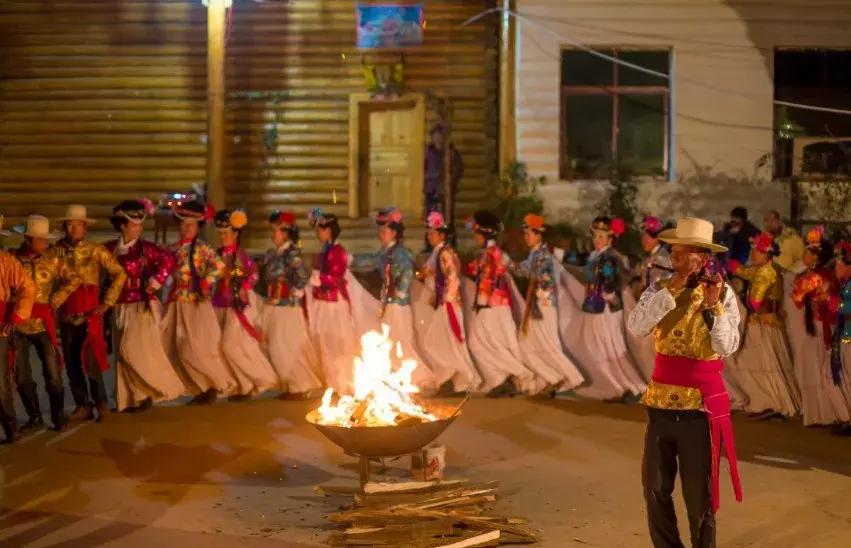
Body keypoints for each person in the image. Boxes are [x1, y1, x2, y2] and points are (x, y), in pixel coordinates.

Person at [627, 217, 742, 548]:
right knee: (654, 489)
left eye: (685, 252)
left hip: (699, 409)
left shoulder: (721, 293)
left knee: (699, 497)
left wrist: (711, 309)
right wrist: (674, 287)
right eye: (673, 250)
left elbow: (727, 346)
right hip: (660, 404)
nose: (675, 256)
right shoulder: (659, 289)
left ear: (703, 258)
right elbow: (636, 327)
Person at [105, 199, 185, 412]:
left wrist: (156, 280)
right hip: (119, 305)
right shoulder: (109, 249)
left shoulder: (146, 249)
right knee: (122, 357)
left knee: (129, 350)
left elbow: (168, 260)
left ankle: (155, 387)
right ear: (122, 225)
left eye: (140, 225)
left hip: (140, 304)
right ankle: (132, 399)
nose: (138, 229)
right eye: (133, 225)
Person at [55, 205, 127, 423]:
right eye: (70, 224)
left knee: (92, 360)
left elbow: (119, 273)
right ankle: (83, 404)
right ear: (64, 227)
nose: (74, 228)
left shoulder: (96, 250)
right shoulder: (55, 251)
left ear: (85, 228)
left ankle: (101, 403)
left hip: (90, 313)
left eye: (78, 224)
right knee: (71, 361)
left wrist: (107, 302)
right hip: (67, 313)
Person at [353, 207, 437, 391]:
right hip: (389, 304)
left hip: (399, 305)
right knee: (389, 340)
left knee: (403, 341)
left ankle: (422, 378)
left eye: (384, 231)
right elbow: (370, 260)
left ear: (394, 233)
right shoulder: (385, 253)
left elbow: (407, 272)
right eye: (380, 231)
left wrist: (400, 292)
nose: (380, 235)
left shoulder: (401, 253)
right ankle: (397, 377)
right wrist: (350, 259)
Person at [162, 200, 236, 405]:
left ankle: (212, 384)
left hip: (195, 301)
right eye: (183, 224)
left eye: (191, 225)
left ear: (197, 227)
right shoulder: (172, 248)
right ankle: (199, 385)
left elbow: (220, 267)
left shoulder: (202, 248)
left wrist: (206, 280)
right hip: (178, 300)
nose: (186, 228)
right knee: (177, 344)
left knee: (197, 346)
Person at [12, 215, 82, 431]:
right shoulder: (12, 259)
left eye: (45, 239)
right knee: (22, 375)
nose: (44, 243)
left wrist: (58, 297)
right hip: (18, 324)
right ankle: (34, 416)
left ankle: (57, 416)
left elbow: (74, 278)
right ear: (28, 239)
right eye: (39, 239)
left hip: (43, 323)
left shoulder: (52, 260)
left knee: (53, 374)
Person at [568, 216, 646, 401]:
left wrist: (608, 294)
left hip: (604, 309)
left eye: (601, 236)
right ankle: (618, 385)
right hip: (596, 306)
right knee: (601, 347)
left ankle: (619, 386)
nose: (596, 240)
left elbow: (610, 279)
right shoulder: (597, 256)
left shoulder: (609, 256)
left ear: (610, 239)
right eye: (595, 236)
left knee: (608, 347)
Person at [726, 232, 800, 419]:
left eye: (756, 250)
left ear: (765, 254)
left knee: (760, 364)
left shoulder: (765, 272)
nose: (753, 253)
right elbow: (746, 272)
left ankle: (769, 403)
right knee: (771, 364)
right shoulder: (769, 268)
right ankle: (775, 402)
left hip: (761, 323)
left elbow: (755, 302)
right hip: (770, 322)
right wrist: (735, 268)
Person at [462, 210, 535, 394]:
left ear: (485, 234)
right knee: (483, 344)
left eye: (477, 234)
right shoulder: (487, 254)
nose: (475, 238)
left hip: (494, 306)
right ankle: (500, 378)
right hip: (489, 306)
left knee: (484, 344)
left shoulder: (496, 254)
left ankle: (517, 373)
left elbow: (508, 272)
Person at [510, 213, 584, 395]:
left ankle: (571, 377)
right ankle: (554, 378)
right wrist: (509, 265)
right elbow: (524, 270)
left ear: (538, 235)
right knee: (527, 346)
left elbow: (531, 274)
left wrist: (508, 264)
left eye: (528, 233)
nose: (526, 237)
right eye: (525, 233)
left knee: (547, 345)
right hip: (538, 305)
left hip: (543, 306)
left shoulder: (543, 256)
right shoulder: (536, 254)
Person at [212, 209, 277, 398]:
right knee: (226, 347)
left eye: (226, 233)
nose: (222, 237)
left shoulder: (239, 257)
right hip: (219, 303)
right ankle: (244, 385)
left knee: (230, 346)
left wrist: (243, 286)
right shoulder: (217, 255)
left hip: (237, 305)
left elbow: (253, 274)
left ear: (236, 234)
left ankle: (263, 377)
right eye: (220, 233)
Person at [413, 211, 481, 393]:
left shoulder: (445, 253)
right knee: (442, 341)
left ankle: (461, 377)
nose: (430, 236)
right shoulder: (438, 253)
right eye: (429, 233)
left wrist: (444, 298)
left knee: (442, 341)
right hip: (444, 302)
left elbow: (453, 278)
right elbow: (430, 272)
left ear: (442, 235)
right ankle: (457, 378)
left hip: (449, 303)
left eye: (433, 233)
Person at [788, 226, 850, 427]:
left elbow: (797, 298)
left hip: (820, 327)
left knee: (819, 369)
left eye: (808, 251)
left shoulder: (818, 277)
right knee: (814, 369)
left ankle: (826, 414)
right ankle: (824, 414)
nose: (804, 254)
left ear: (816, 257)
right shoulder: (816, 275)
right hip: (814, 326)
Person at [259, 210, 323, 397]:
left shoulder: (291, 254)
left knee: (285, 346)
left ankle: (300, 384)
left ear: (286, 233)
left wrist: (297, 290)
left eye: (277, 231)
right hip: (273, 304)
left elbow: (302, 275)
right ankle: (290, 384)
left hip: (287, 306)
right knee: (274, 345)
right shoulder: (273, 254)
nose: (273, 234)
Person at [307, 208, 359, 394]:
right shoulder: (325, 250)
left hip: (334, 304)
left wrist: (319, 279)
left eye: (321, 229)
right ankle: (332, 385)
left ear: (329, 231)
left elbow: (336, 277)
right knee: (325, 344)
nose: (318, 233)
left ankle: (344, 386)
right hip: (323, 302)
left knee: (338, 345)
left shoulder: (338, 251)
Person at [0, 214, 35, 443]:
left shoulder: (5, 261)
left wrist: (14, 318)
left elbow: (28, 288)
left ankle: (11, 426)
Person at [626, 216, 672, 382]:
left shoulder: (661, 259)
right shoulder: (651, 258)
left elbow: (657, 290)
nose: (643, 240)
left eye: (646, 236)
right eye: (643, 236)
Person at [423, 123, 463, 249]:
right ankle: (430, 245)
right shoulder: (429, 152)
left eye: (439, 136)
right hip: (431, 189)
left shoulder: (450, 153)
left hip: (446, 191)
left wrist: (451, 183)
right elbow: (425, 168)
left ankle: (450, 243)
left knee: (447, 218)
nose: (437, 139)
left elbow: (458, 169)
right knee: (430, 218)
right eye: (435, 136)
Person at [831, 240, 851, 436]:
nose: (836, 267)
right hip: (844, 335)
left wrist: (834, 304)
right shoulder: (845, 284)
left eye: (839, 263)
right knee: (845, 378)